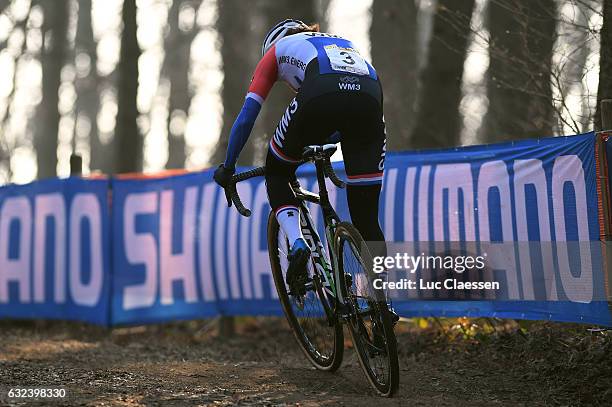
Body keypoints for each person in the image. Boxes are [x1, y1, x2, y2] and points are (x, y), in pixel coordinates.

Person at [213, 19, 387, 299]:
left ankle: (297, 241)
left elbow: (247, 116)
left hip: (321, 91)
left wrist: (228, 165)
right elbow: (348, 102)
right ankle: (381, 304)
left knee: (277, 170)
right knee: (367, 220)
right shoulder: (339, 41)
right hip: (370, 96)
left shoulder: (275, 51)